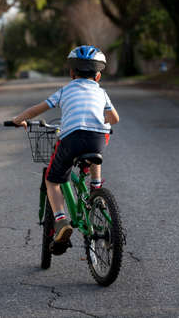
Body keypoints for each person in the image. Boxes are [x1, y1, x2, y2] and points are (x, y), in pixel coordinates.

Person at [13, 45, 119, 244]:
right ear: (98, 77)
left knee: (52, 180)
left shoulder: (65, 90)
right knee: (97, 143)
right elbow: (114, 118)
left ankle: (61, 222)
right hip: (97, 140)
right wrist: (100, 121)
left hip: (71, 138)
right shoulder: (102, 93)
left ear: (71, 73)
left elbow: (38, 109)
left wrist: (19, 119)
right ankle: (96, 186)